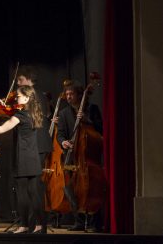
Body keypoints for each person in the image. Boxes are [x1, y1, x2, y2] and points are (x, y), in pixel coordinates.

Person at [0, 85, 45, 234]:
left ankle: (24, 225)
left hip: (22, 157)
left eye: (19, 97)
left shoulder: (20, 116)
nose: (16, 99)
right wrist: (4, 108)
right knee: (34, 193)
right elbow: (11, 113)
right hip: (33, 157)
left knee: (22, 193)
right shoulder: (33, 114)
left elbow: (0, 130)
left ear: (27, 98)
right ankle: (41, 225)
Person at [56, 82, 103, 231]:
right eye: (67, 95)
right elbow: (60, 133)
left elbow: (101, 128)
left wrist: (87, 120)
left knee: (92, 188)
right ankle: (79, 220)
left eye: (72, 94)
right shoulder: (63, 113)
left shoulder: (92, 109)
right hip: (71, 156)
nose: (69, 97)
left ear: (80, 95)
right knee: (70, 188)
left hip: (88, 157)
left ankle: (95, 221)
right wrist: (63, 142)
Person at [16, 66, 52, 233]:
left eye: (20, 81)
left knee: (34, 188)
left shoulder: (36, 96)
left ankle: (38, 224)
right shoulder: (30, 100)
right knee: (27, 187)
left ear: (29, 81)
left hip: (36, 146)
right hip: (30, 146)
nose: (18, 84)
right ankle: (29, 224)